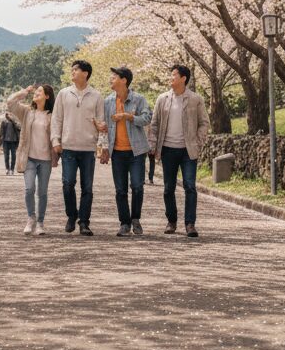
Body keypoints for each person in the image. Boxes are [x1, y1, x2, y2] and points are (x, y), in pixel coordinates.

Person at [148, 64, 210, 238]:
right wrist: (152, 146)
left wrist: (197, 142)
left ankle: (190, 224)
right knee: (168, 188)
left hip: (188, 151)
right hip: (167, 149)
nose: (171, 77)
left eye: (174, 74)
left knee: (190, 186)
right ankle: (171, 221)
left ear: (183, 78)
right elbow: (154, 124)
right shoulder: (162, 99)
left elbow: (204, 123)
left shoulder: (195, 99)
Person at [51, 59, 107, 236]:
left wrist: (102, 145)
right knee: (67, 183)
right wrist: (55, 140)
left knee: (87, 187)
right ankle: (71, 215)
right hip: (68, 147)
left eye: (76, 70)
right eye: (72, 69)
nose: (72, 72)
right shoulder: (63, 93)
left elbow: (102, 123)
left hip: (88, 148)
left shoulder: (96, 96)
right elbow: (56, 119)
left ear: (85, 74)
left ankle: (84, 222)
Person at [102, 67, 152, 236]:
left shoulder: (138, 99)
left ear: (124, 80)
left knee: (137, 186)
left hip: (136, 151)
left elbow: (147, 118)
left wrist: (129, 117)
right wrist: (104, 148)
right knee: (120, 189)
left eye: (114, 77)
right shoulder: (108, 101)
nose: (111, 79)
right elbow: (105, 127)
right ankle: (124, 223)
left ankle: (135, 219)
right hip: (117, 151)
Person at [6, 84, 57, 235]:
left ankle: (40, 223)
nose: (36, 93)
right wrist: (24, 92)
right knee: (29, 189)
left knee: (42, 192)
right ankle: (31, 218)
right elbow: (10, 103)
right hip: (29, 158)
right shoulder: (27, 112)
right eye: (36, 91)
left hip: (45, 159)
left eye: (40, 91)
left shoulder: (52, 115)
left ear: (47, 96)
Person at [0, 110, 20, 174]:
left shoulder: (15, 120)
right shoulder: (4, 121)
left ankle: (12, 169)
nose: (9, 114)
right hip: (5, 141)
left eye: (11, 112)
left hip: (14, 141)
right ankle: (7, 168)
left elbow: (19, 128)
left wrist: (13, 121)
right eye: (8, 113)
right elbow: (1, 132)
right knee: (6, 156)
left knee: (13, 156)